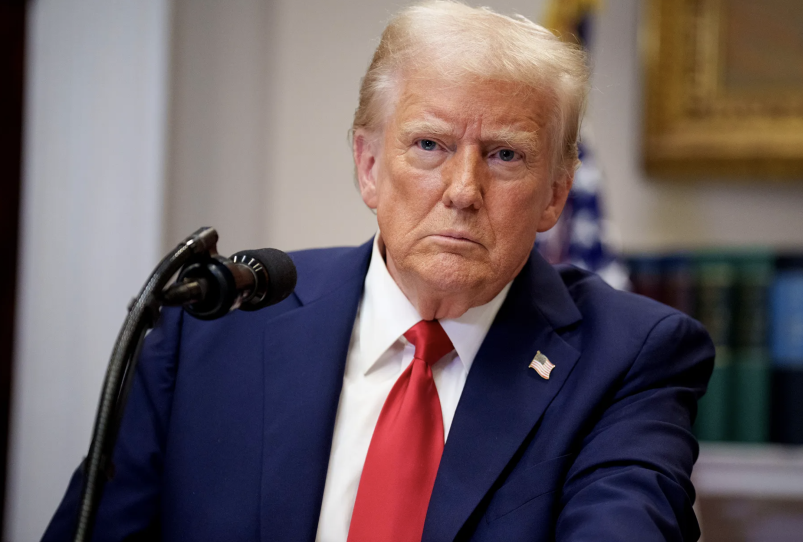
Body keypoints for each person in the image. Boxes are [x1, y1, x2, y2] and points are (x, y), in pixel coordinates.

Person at [44, 1, 714, 541]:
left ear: (557, 194)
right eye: (429, 145)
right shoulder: (212, 331)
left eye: (506, 155)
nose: (462, 189)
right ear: (368, 166)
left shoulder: (630, 359)